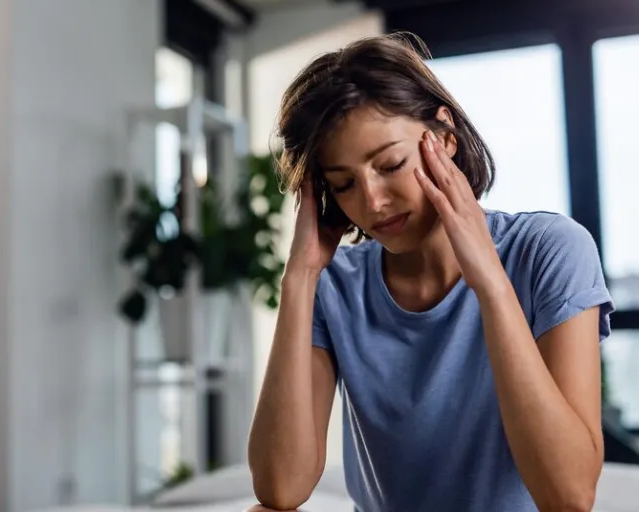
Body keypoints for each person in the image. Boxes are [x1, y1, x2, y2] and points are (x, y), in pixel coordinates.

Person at [245, 33, 615, 512]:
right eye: (343, 184)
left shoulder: (550, 250)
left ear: (443, 136)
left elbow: (569, 497)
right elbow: (280, 488)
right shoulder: (335, 284)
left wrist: (490, 283)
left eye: (391, 164)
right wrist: (298, 279)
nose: (372, 202)